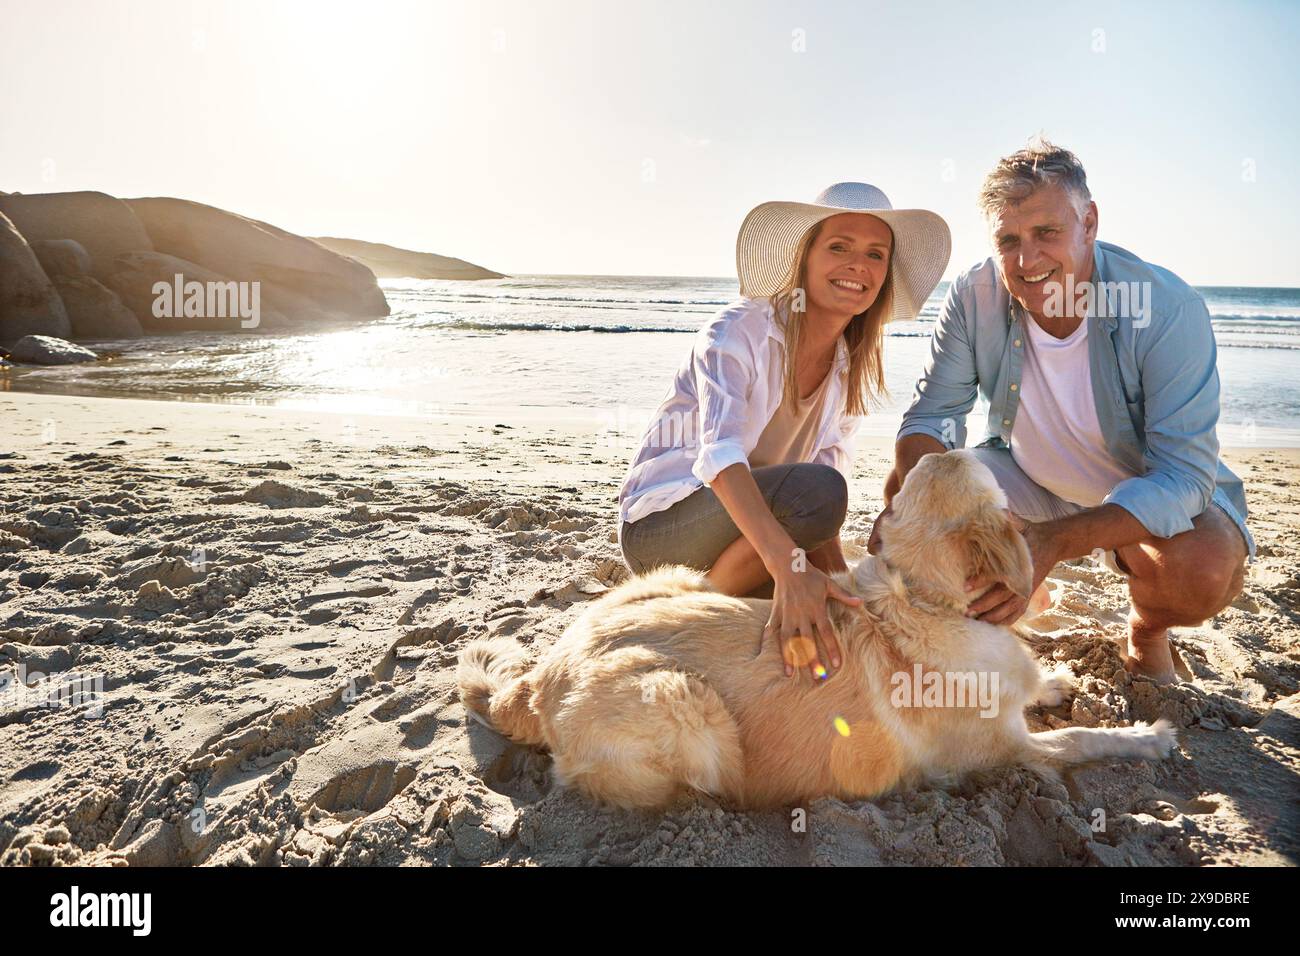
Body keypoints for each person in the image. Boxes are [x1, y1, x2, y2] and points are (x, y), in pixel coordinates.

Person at [871, 140, 1251, 684]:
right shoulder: (975, 294)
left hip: (1136, 495)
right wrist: (913, 504)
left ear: (1088, 222)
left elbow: (1183, 476)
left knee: (1205, 569)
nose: (1027, 260)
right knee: (914, 498)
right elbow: (932, 418)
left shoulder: (1165, 307)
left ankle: (1146, 629)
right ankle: (1008, 608)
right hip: (1024, 475)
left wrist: (1051, 543)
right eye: (1009, 241)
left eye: (1047, 233)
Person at [618, 182, 951, 681]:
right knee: (816, 495)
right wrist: (794, 572)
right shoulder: (738, 331)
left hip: (755, 536)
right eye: (839, 246)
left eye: (875, 254)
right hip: (666, 528)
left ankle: (732, 596)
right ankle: (686, 621)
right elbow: (721, 457)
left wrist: (842, 586)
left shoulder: (847, 366)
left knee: (821, 542)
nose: (859, 265)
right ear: (805, 256)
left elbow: (821, 510)